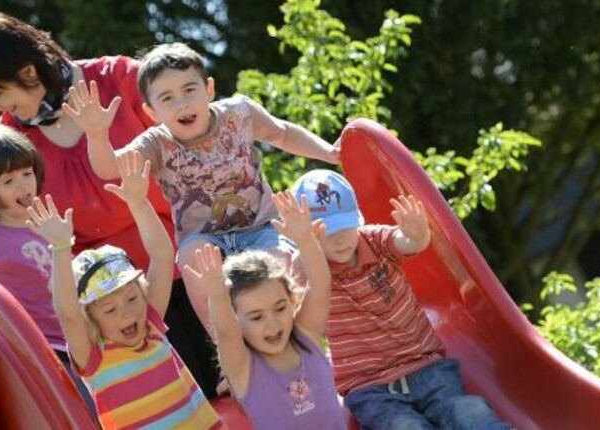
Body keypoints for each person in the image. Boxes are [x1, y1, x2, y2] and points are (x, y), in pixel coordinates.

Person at [0, 11, 217, 396]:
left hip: (196, 262)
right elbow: (10, 226)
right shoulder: (10, 138)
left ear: (27, 72)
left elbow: (205, 137)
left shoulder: (120, 78)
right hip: (120, 312)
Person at [62, 41, 340, 322]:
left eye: (189, 90)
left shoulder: (239, 113)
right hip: (203, 238)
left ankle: (298, 331)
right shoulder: (157, 143)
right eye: (167, 98)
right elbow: (110, 167)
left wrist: (329, 152)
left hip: (260, 226)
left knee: (281, 259)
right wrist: (96, 135)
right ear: (152, 113)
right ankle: (225, 343)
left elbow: (283, 134)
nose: (182, 103)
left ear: (209, 89)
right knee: (192, 258)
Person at [292, 170, 511, 430]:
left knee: (467, 410)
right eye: (327, 233)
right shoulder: (313, 268)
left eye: (346, 227)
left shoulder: (373, 240)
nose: (340, 239)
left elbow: (406, 242)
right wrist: (303, 244)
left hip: (427, 366)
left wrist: (418, 234)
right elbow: (295, 285)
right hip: (370, 388)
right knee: (405, 427)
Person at [27, 151, 223, 429]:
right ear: (91, 318)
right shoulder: (93, 356)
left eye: (132, 297)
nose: (128, 311)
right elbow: (67, 312)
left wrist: (139, 203)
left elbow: (162, 256)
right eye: (109, 308)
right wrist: (60, 247)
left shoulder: (151, 324)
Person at [0, 123, 93, 406]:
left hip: (85, 335)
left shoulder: (43, 220)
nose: (24, 185)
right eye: (8, 181)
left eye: (27, 174)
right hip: (52, 352)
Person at [181, 191, 345, 429]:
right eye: (256, 316)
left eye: (279, 308)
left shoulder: (305, 336)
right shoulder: (243, 369)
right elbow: (226, 332)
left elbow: (320, 285)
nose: (273, 323)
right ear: (237, 321)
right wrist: (217, 296)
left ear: (292, 300)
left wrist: (306, 241)